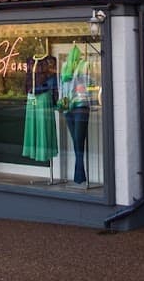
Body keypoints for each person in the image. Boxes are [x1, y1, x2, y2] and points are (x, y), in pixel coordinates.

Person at [59, 44, 90, 185]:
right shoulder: (66, 67)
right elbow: (61, 86)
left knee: (78, 140)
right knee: (77, 141)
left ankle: (79, 175)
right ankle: (80, 175)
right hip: (72, 106)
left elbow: (86, 84)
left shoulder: (81, 65)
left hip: (76, 106)